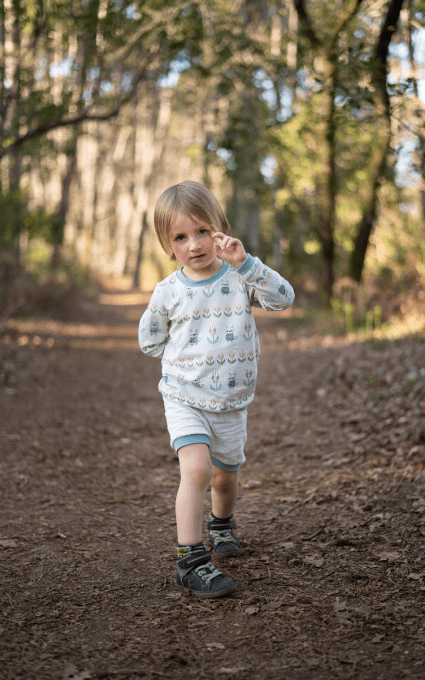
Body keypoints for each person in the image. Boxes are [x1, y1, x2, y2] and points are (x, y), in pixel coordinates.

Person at [138, 180, 294, 598]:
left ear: (220, 230)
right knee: (197, 470)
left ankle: (222, 525)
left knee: (225, 478)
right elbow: (150, 341)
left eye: (202, 231)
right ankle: (190, 560)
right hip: (184, 395)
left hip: (230, 401)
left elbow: (283, 299)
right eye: (180, 237)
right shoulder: (168, 291)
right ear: (168, 245)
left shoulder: (240, 277)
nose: (194, 244)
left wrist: (248, 264)